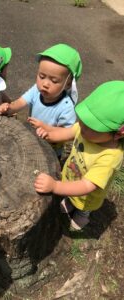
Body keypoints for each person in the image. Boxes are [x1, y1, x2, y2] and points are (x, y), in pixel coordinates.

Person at [34, 81, 124, 230]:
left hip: (87, 196)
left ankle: (83, 214)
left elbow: (87, 186)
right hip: (70, 177)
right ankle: (69, 200)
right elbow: (66, 132)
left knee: (83, 205)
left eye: (91, 126)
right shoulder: (85, 130)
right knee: (70, 195)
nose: (81, 126)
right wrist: (48, 133)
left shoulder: (110, 157)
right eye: (82, 120)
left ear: (117, 134)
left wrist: (56, 186)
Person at [0, 43, 82, 157]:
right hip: (31, 140)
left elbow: (65, 134)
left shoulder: (66, 107)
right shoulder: (36, 90)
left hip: (51, 151)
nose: (45, 84)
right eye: (42, 76)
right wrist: (8, 108)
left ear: (68, 84)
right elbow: (21, 102)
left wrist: (45, 128)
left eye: (54, 81)